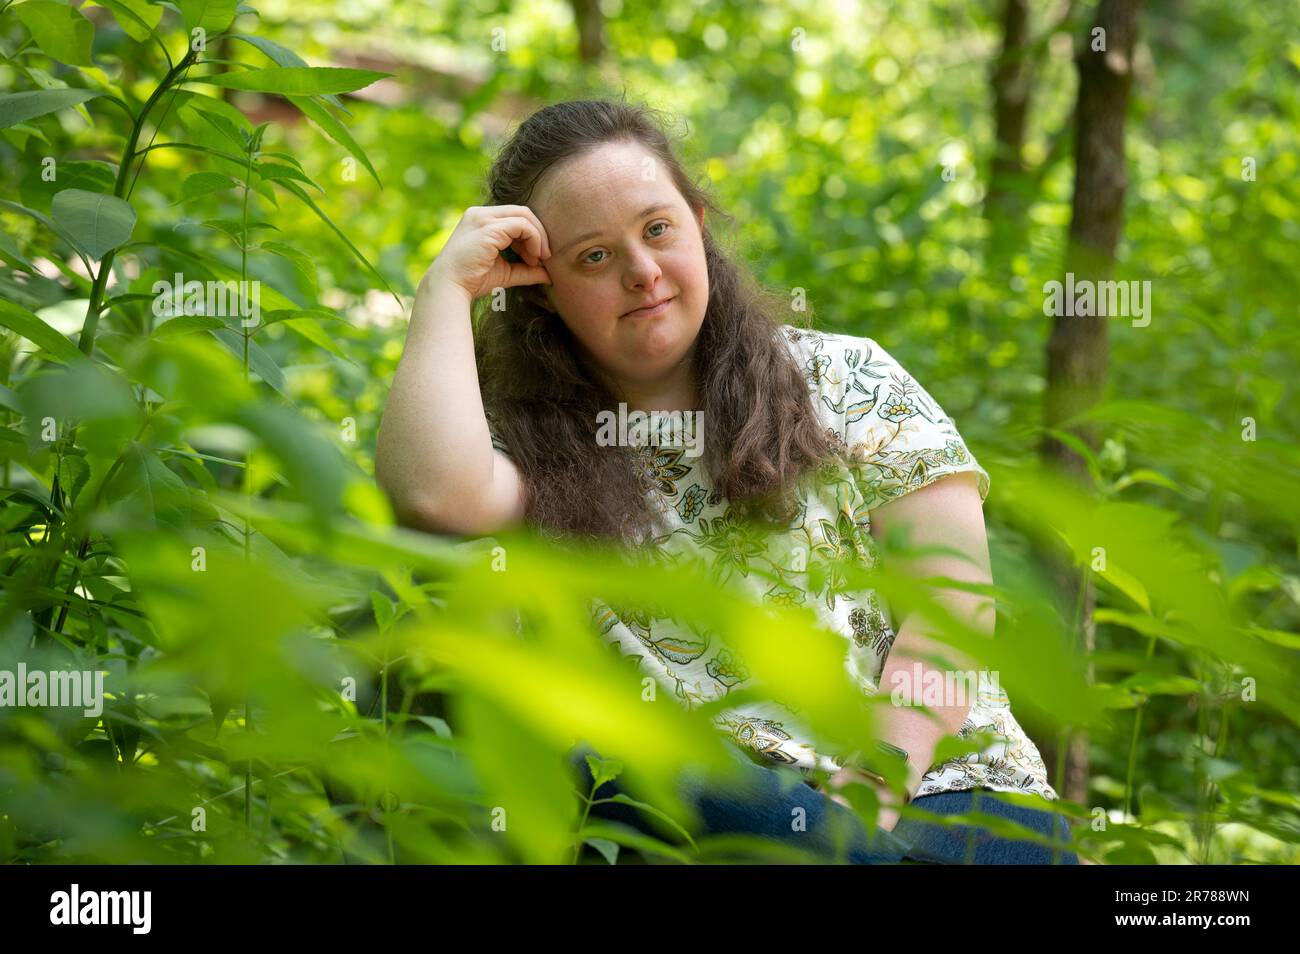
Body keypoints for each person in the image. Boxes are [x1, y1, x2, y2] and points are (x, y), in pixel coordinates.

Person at [375, 97, 1079, 865]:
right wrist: (446, 287)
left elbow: (951, 610)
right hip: (715, 807)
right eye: (594, 257)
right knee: (591, 766)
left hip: (949, 787)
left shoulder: (848, 377)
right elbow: (433, 495)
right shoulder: (531, 451)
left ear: (700, 225)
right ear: (541, 287)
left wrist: (862, 799)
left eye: (657, 230)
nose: (642, 273)